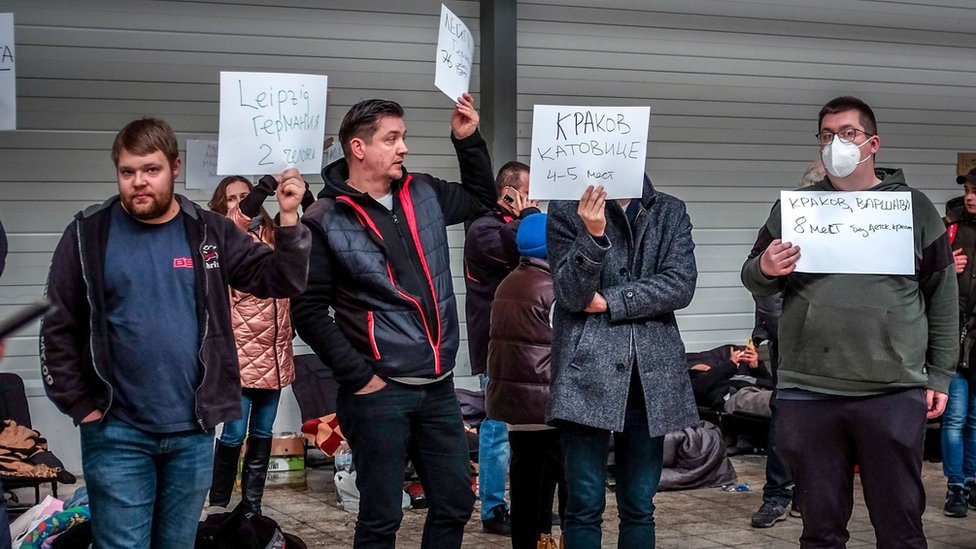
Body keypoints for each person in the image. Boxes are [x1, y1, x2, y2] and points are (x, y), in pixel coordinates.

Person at [40, 117, 311, 549]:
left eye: (151, 170)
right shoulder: (89, 233)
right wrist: (83, 408)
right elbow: (57, 326)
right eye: (127, 172)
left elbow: (280, 280)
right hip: (117, 432)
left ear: (175, 166)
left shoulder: (208, 231)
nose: (138, 182)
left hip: (192, 433)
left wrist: (291, 218)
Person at [741, 96, 957, 548]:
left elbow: (941, 297)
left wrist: (939, 374)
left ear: (872, 143)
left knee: (900, 527)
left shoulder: (914, 209)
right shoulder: (794, 210)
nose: (835, 143)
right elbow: (754, 278)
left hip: (891, 389)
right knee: (819, 529)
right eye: (826, 135)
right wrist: (765, 268)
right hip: (809, 389)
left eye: (848, 134)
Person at [291, 93, 496, 549]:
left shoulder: (424, 191)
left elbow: (483, 200)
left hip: (438, 385)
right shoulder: (324, 218)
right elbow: (307, 311)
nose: (403, 147)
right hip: (379, 393)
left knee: (455, 503)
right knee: (381, 517)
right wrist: (359, 376)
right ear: (359, 148)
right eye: (393, 138)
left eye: (402, 137)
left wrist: (468, 141)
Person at [547, 178, 699, 548]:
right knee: (582, 505)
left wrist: (611, 301)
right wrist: (594, 235)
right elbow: (571, 295)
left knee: (639, 505)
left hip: (650, 376)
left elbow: (680, 285)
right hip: (585, 371)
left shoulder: (669, 209)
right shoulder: (566, 208)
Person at [205, 175, 306, 515]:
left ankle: (252, 507)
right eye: (232, 198)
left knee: (262, 435)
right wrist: (262, 187)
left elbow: (301, 249)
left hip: (275, 355)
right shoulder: (222, 239)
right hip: (241, 356)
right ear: (222, 207)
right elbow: (234, 223)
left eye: (245, 196)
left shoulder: (275, 234)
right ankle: (219, 505)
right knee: (233, 435)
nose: (240, 202)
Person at [463, 160, 540, 536]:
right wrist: (528, 215)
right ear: (508, 192)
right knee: (497, 430)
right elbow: (523, 251)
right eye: (529, 191)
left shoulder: (518, 223)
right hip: (496, 345)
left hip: (529, 344)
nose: (536, 200)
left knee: (530, 431)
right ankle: (494, 511)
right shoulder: (484, 229)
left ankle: (532, 504)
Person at [485, 213, 565, 549]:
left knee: (525, 484)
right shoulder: (553, 288)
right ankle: (550, 540)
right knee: (564, 485)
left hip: (514, 405)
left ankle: (531, 542)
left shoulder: (507, 283)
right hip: (547, 404)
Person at [941, 167, 976, 517]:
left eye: (975, 191)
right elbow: (920, 274)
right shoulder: (949, 228)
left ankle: (972, 480)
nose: (970, 196)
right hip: (954, 335)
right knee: (955, 417)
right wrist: (946, 266)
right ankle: (955, 486)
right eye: (968, 189)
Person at [688, 345, 773, 418]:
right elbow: (699, 387)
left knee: (780, 396)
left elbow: (771, 384)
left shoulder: (731, 377)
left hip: (763, 392)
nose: (707, 367)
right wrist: (730, 364)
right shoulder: (697, 383)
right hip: (736, 397)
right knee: (777, 401)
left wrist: (756, 368)